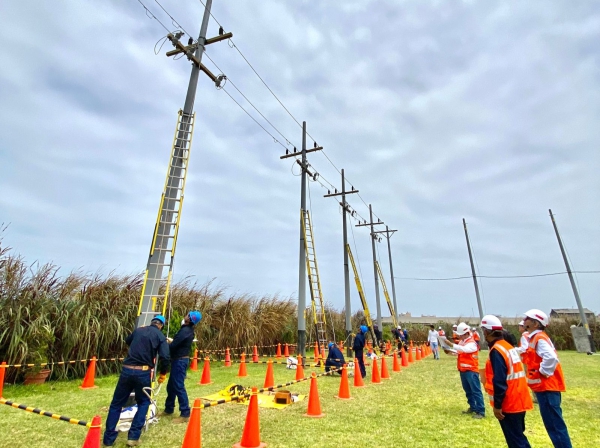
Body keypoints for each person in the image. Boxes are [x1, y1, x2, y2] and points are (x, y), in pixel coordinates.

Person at [103, 315, 170, 447]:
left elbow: (128, 340)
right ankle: (133, 437)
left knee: (116, 404)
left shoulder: (139, 330)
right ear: (161, 326)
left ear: (151, 322)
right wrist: (162, 374)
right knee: (144, 402)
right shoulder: (160, 336)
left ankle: (108, 440)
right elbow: (165, 357)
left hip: (126, 371)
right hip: (143, 372)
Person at [481, 315, 533, 448]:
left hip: (509, 403)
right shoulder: (507, 347)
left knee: (516, 441)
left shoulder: (497, 350)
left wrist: (497, 406)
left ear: (487, 332)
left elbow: (499, 381)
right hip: (519, 399)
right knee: (518, 437)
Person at [523, 309, 572, 448]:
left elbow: (551, 357)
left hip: (547, 387)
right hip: (545, 387)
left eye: (528, 318)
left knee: (555, 426)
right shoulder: (537, 337)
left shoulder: (539, 338)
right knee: (553, 425)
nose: (524, 319)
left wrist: (543, 372)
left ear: (535, 323)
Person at [162, 311, 202, 424]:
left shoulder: (185, 331)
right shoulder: (186, 330)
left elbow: (174, 346)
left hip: (180, 361)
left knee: (178, 386)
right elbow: (178, 343)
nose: (185, 316)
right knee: (171, 386)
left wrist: (164, 344)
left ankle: (185, 413)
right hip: (178, 360)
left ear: (189, 319)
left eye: (188, 315)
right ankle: (168, 408)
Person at [442, 322, 485, 419]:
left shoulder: (472, 343)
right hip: (463, 370)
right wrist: (449, 352)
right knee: (468, 391)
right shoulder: (463, 342)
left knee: (476, 391)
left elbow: (465, 350)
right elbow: (459, 352)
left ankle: (480, 411)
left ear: (465, 333)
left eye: (460, 335)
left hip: (471, 370)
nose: (459, 337)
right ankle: (473, 407)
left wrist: (452, 345)